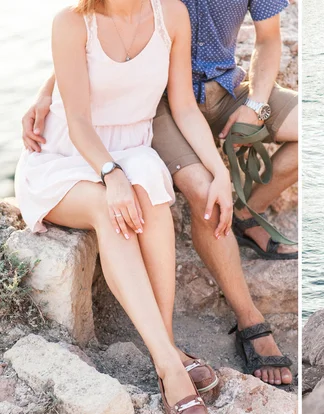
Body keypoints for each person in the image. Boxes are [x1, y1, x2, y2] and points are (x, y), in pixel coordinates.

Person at [22, 0, 296, 389]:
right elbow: (81, 102)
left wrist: (225, 164)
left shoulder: (170, 14)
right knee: (120, 206)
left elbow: (191, 99)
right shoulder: (73, 22)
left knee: (152, 190)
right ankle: (178, 356)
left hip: (166, 124)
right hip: (95, 140)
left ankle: (165, 342)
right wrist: (48, 97)